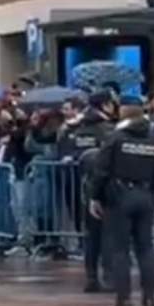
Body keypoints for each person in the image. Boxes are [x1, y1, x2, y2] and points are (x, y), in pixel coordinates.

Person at [89, 94, 154, 306]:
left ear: (124, 111)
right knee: (146, 249)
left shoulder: (116, 138)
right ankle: (150, 300)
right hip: (145, 195)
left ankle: (123, 301)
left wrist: (95, 197)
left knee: (120, 250)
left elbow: (101, 170)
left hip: (120, 195)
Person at [63, 94, 115, 293]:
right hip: (107, 188)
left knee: (91, 235)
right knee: (108, 234)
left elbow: (70, 155)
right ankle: (108, 277)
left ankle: (91, 277)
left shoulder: (78, 130)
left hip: (86, 186)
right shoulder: (108, 131)